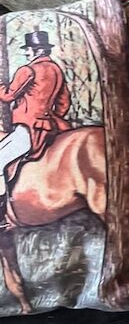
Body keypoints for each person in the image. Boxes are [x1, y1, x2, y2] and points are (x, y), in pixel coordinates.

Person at [0, 30, 72, 203]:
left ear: (38, 50)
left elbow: (7, 96)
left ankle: (1, 214)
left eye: (28, 49)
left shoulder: (28, 70)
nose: (26, 53)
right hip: (49, 126)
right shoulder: (56, 70)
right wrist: (48, 117)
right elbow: (64, 102)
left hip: (28, 128)